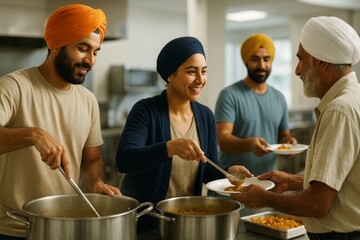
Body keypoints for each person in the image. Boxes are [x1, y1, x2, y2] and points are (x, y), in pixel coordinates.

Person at [232, 16, 360, 240]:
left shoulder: (339, 110)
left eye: (301, 60)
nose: (297, 71)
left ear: (321, 62)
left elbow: (319, 203)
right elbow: (342, 180)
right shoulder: (353, 98)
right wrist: (291, 181)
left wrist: (266, 199)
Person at [0, 4, 121, 239]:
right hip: (14, 229)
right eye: (82, 48)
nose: (90, 61)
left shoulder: (88, 101)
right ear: (55, 44)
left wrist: (96, 183)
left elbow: (92, 158)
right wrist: (34, 135)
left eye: (95, 52)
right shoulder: (14, 86)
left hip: (67, 227)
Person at [115, 36, 252, 232]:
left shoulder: (205, 116)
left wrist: (228, 171)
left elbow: (209, 167)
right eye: (191, 71)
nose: (200, 80)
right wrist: (169, 148)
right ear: (170, 74)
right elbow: (124, 159)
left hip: (186, 221)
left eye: (203, 71)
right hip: (146, 222)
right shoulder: (146, 110)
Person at [215, 33, 297, 176]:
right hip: (233, 184)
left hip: (268, 183)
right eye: (255, 59)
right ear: (246, 61)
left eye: (266, 59)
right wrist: (249, 144)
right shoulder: (229, 95)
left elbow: (283, 136)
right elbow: (223, 140)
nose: (262, 65)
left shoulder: (279, 98)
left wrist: (289, 143)